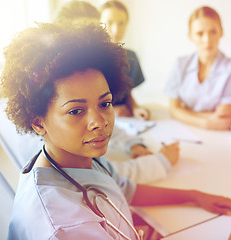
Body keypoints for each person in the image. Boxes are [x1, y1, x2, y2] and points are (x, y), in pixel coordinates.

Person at [3, 22, 231, 239]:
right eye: (76, 111)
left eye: (105, 104)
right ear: (38, 123)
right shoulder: (65, 227)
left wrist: (195, 195)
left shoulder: (77, 158)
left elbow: (120, 188)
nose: (99, 122)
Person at [54, 0, 178, 184]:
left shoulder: (87, 71)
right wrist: (161, 161)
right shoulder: (56, 90)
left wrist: (133, 144)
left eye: (94, 35)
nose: (89, 45)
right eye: (80, 37)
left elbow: (98, 122)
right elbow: (98, 176)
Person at [164, 6, 231, 130]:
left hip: (219, 136)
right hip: (184, 129)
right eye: (200, 33)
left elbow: (223, 118)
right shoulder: (180, 64)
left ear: (221, 32)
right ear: (190, 36)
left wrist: (184, 111)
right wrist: (206, 123)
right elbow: (173, 109)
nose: (207, 40)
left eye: (213, 32)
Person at [100, 0, 150, 120]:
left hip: (124, 120)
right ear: (98, 22)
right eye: (109, 22)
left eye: (121, 23)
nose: (116, 29)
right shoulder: (86, 58)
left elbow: (126, 93)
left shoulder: (131, 57)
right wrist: (110, 110)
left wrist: (135, 108)